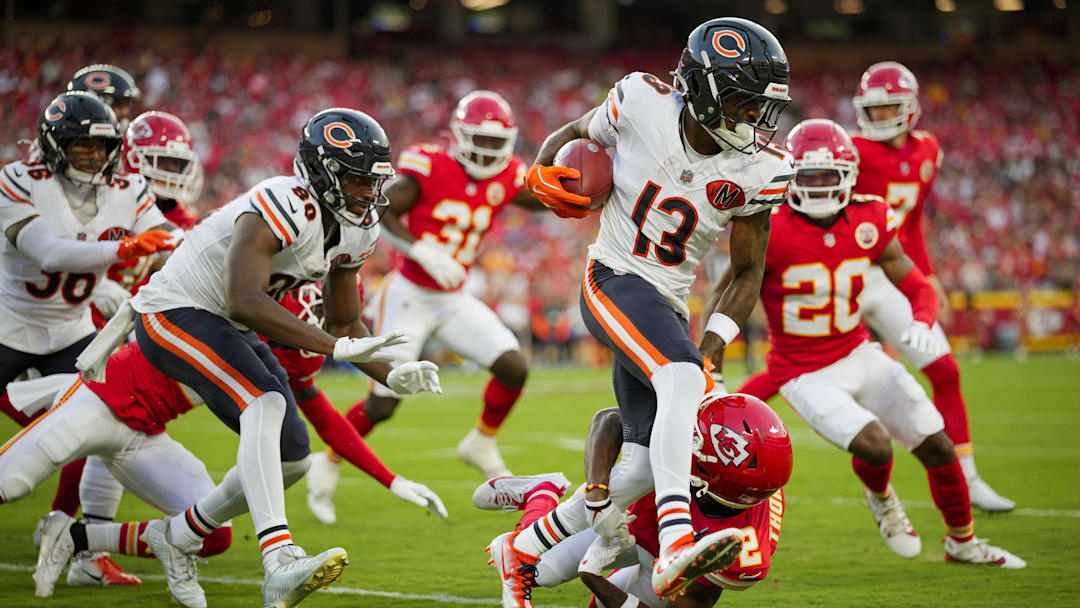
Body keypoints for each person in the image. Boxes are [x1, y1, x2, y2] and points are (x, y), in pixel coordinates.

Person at [498, 17, 795, 603]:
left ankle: (524, 548)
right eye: (741, 101)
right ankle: (678, 538)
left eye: (761, 106)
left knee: (635, 467)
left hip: (665, 305)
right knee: (681, 378)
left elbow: (747, 272)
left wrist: (710, 345)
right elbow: (572, 132)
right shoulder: (640, 101)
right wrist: (545, 171)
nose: (754, 119)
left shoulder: (762, 169)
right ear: (705, 90)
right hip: (610, 276)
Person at [111, 107, 442, 608]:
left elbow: (346, 323)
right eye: (355, 179)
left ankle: (178, 535)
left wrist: (392, 376)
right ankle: (279, 560)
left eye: (373, 181)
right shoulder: (283, 200)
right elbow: (245, 297)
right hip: (175, 309)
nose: (368, 193)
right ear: (322, 173)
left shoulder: (358, 231)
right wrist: (335, 348)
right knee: (263, 402)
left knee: (293, 459)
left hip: (229, 324)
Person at [13, 285, 444, 603]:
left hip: (146, 433)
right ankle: (276, 553)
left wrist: (390, 480)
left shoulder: (274, 352)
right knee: (10, 483)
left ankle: (78, 536)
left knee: (214, 534)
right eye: (312, 311)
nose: (318, 322)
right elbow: (152, 294)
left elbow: (325, 422)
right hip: (100, 401)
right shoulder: (223, 301)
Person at [725, 118, 1022, 567]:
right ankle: (881, 495)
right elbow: (731, 289)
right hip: (802, 372)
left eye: (829, 175)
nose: (821, 185)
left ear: (849, 174)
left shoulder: (871, 216)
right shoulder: (769, 225)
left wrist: (923, 320)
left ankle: (963, 543)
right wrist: (708, 348)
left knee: (938, 443)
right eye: (809, 176)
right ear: (791, 175)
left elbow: (917, 285)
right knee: (877, 445)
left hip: (857, 350)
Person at [305, 91, 542, 521]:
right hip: (411, 293)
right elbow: (383, 211)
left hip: (453, 299)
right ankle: (329, 459)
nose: (487, 152)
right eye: (480, 141)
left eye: (494, 143)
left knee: (514, 367)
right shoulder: (430, 165)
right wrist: (423, 252)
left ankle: (481, 442)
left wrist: (585, 182)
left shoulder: (508, 176)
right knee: (385, 399)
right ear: (458, 135)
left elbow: (544, 196)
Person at [0, 90, 173, 542]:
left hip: (72, 331)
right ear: (56, 145)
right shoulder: (18, 179)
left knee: (98, 424)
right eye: (82, 145)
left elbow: (168, 236)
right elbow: (49, 253)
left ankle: (69, 534)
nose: (94, 155)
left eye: (101, 146)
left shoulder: (128, 188)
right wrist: (123, 248)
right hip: (8, 327)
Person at [476, 392, 792, 607]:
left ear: (714, 481)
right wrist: (596, 495)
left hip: (659, 555)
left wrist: (593, 577)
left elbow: (686, 604)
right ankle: (542, 493)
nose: (689, 440)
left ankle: (544, 497)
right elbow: (609, 419)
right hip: (629, 514)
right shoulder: (737, 476)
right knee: (541, 571)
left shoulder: (741, 553)